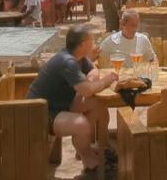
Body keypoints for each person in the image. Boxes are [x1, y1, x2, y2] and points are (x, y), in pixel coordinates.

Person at [27, 25, 118, 171]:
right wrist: (106, 80)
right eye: (91, 41)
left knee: (98, 104)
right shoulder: (67, 62)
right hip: (41, 113)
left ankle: (89, 147)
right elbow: (87, 90)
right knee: (80, 124)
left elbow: (93, 69)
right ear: (82, 45)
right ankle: (89, 160)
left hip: (60, 107)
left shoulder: (79, 57)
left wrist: (90, 77)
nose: (94, 44)